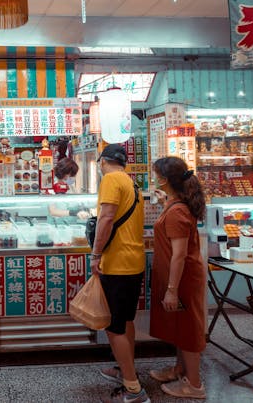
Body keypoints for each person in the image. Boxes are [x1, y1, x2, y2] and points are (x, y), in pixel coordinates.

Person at [92, 144, 149, 403]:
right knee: (125, 322)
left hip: (117, 264)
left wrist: (95, 254)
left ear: (103, 161)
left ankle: (134, 390)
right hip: (133, 261)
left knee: (114, 327)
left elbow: (105, 219)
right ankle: (126, 370)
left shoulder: (111, 180)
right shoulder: (131, 183)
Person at [149, 156, 207, 399]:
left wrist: (172, 289)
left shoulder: (177, 212)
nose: (152, 178)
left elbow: (179, 255)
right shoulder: (176, 204)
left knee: (188, 329)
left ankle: (194, 385)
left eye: (155, 174)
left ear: (163, 179)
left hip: (182, 278)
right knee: (181, 327)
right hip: (179, 277)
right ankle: (180, 369)